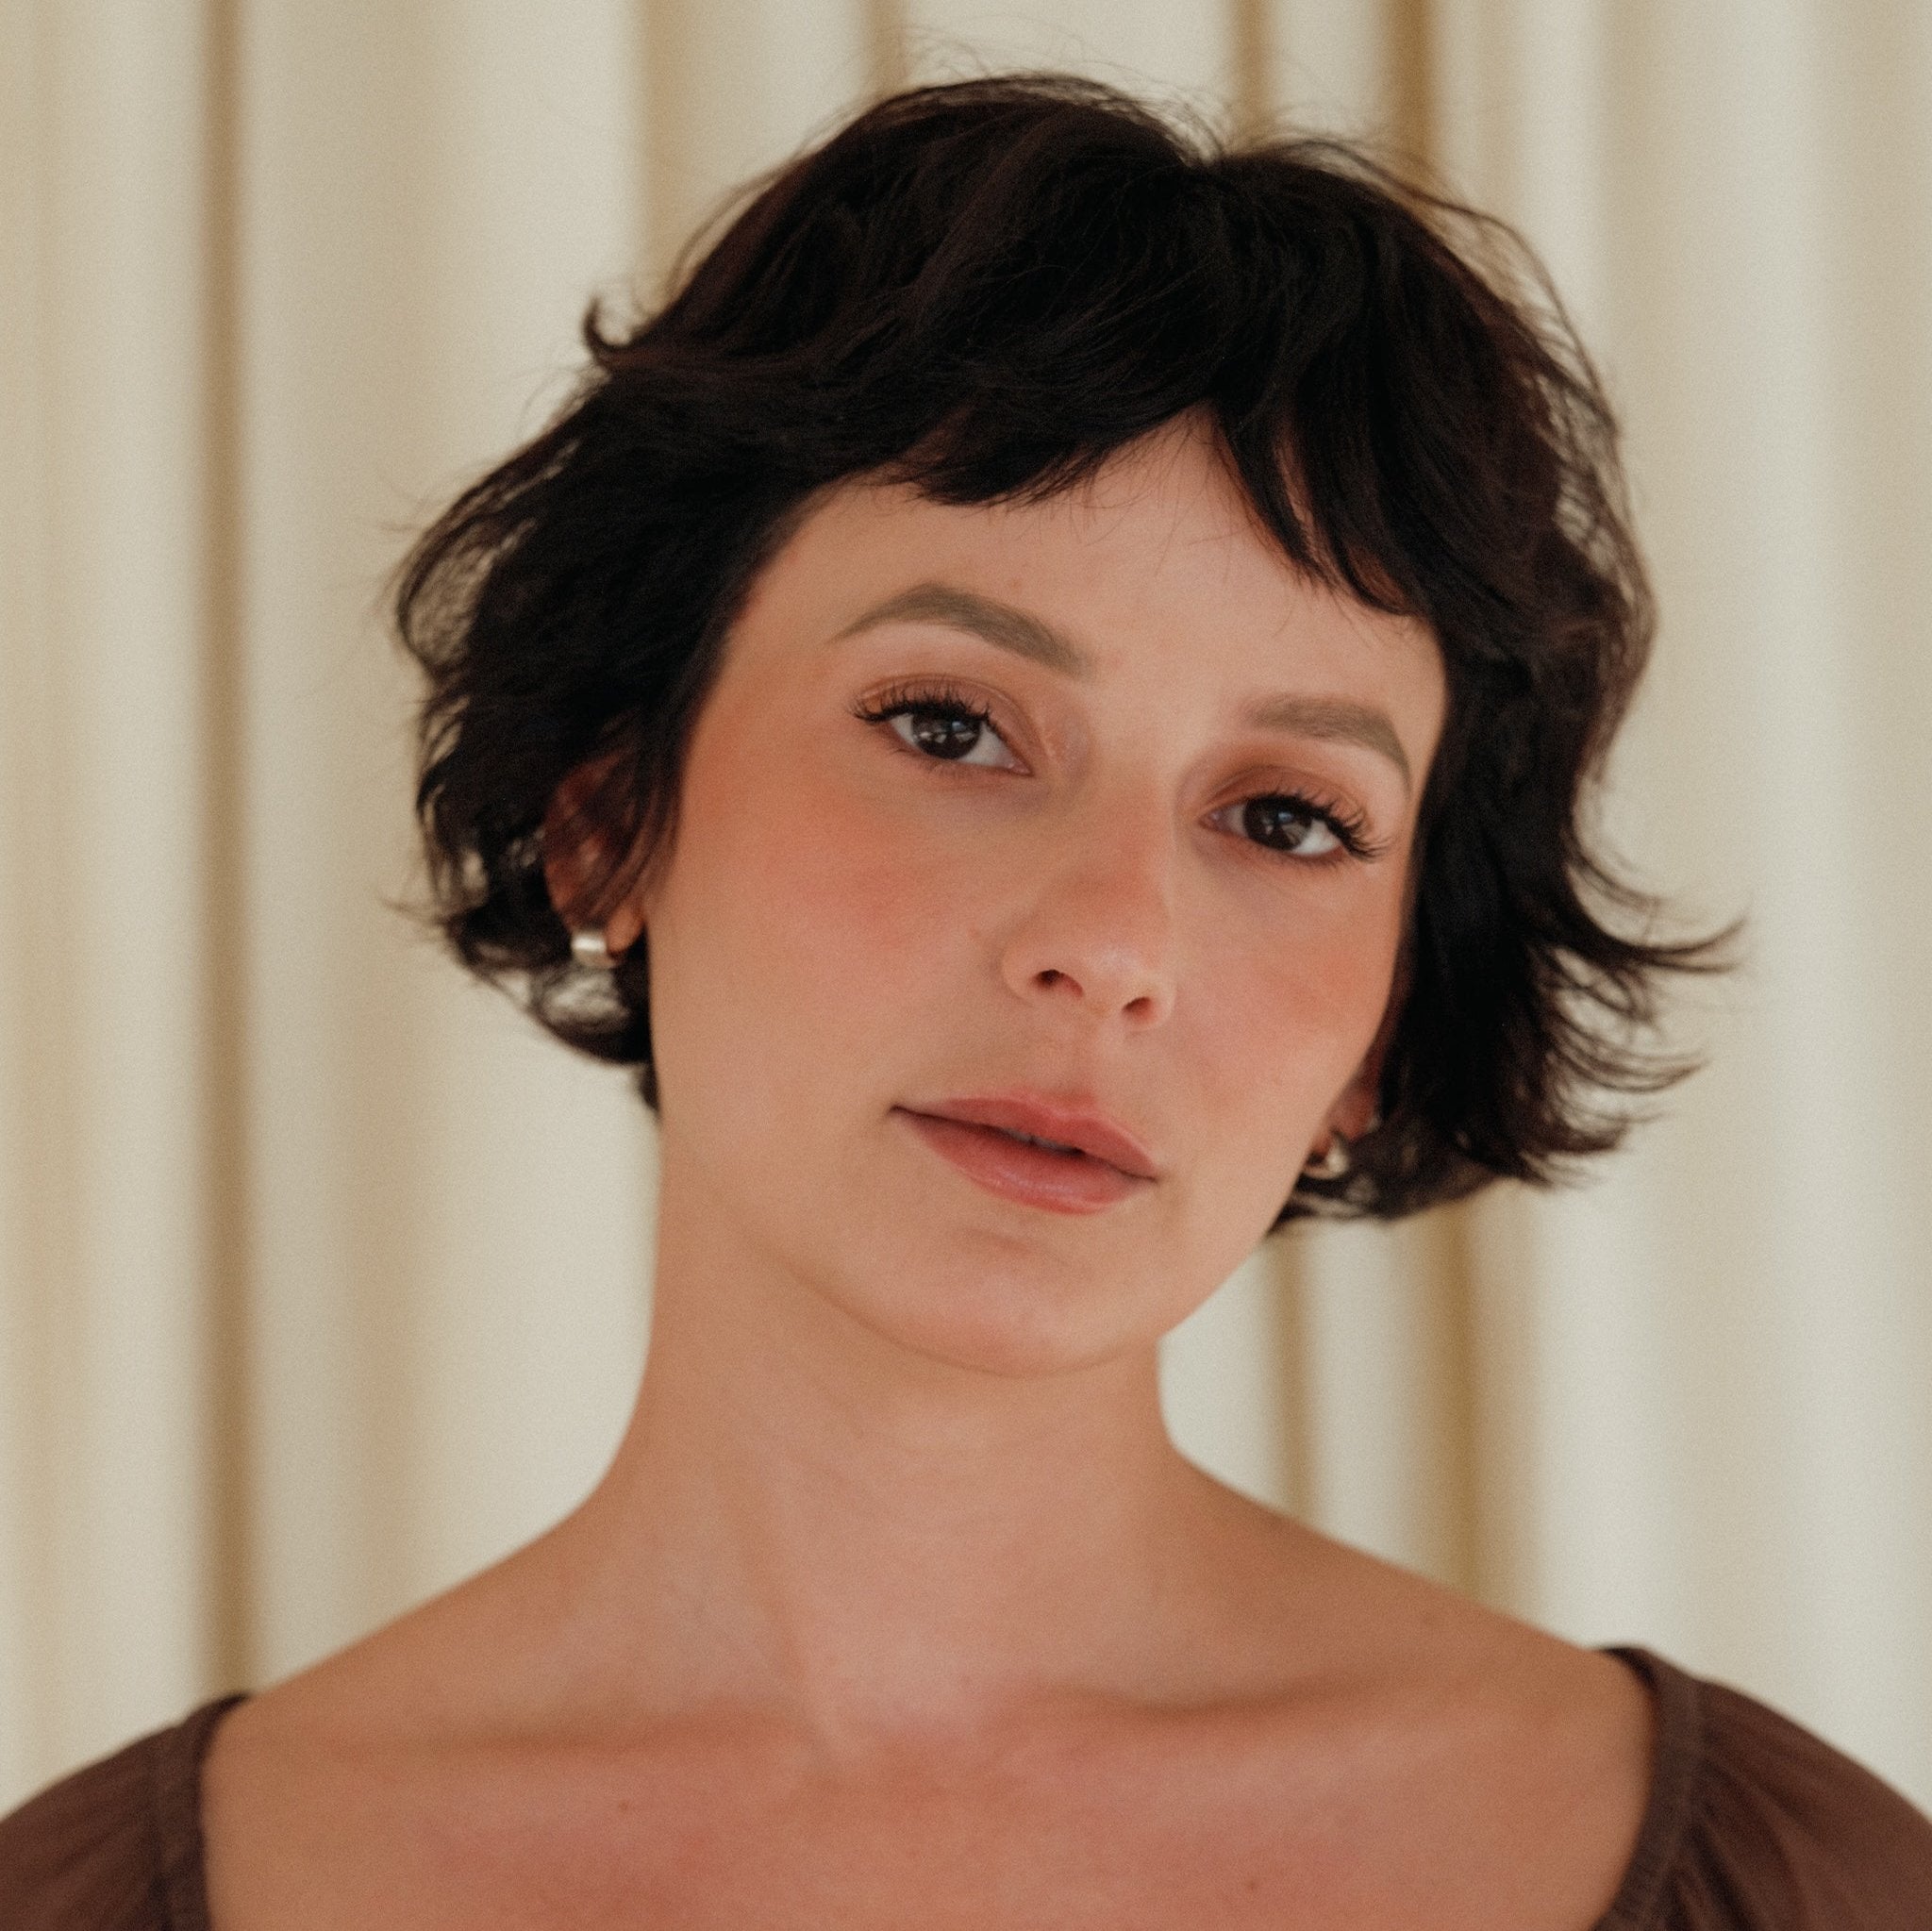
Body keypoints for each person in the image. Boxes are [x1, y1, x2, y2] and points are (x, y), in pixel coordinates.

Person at [5, 73, 1930, 1931]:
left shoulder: (1800, 1889)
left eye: (1287, 817)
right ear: (606, 818)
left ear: (1385, 1023)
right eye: (949, 726)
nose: (1113, 941)